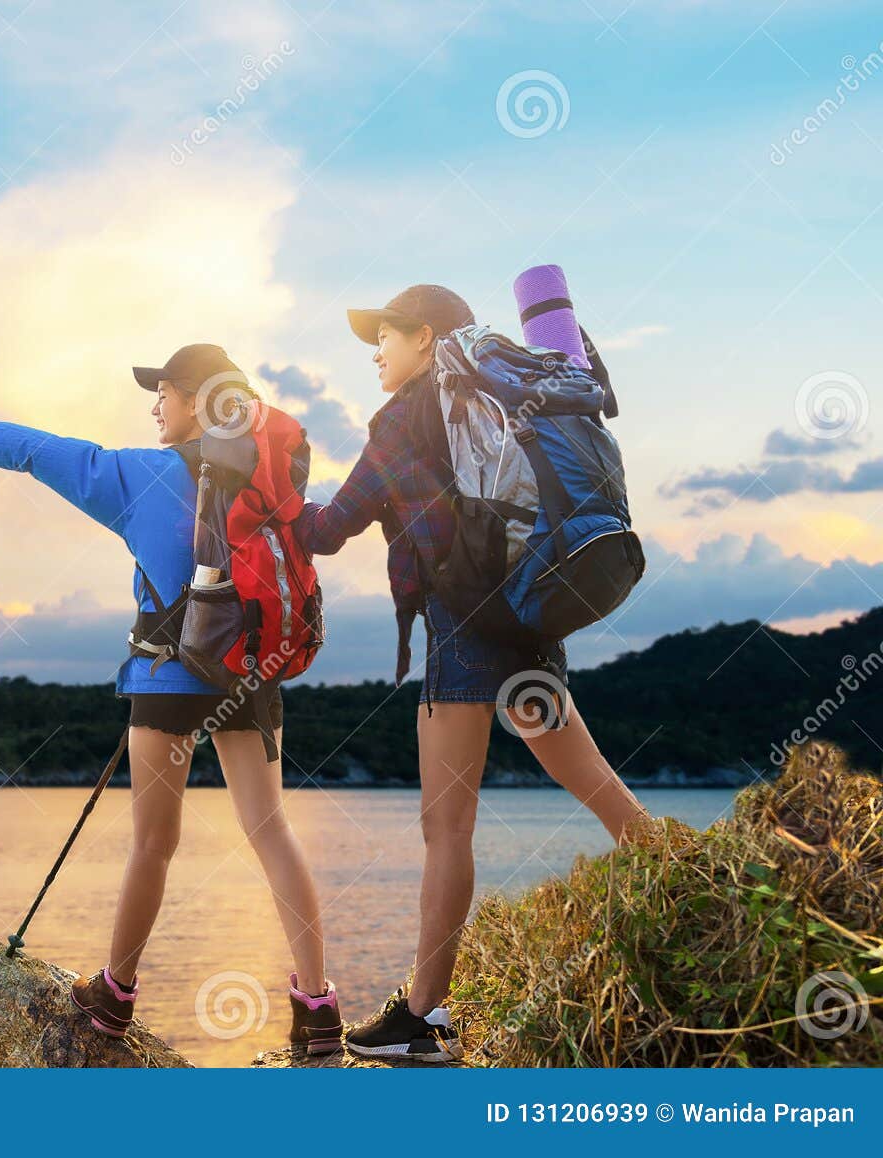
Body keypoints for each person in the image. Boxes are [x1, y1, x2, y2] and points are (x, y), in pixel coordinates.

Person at [0, 343, 343, 1054]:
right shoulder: (270, 485)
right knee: (272, 833)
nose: (155, 407)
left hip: (169, 676)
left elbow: (38, 451)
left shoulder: (138, 475)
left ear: (199, 401)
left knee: (152, 842)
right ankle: (318, 1012)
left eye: (164, 393)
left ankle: (114, 998)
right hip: (249, 676)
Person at [294, 286, 651, 1062]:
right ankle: (693, 882)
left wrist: (262, 497)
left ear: (424, 338)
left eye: (383, 337)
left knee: (445, 829)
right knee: (600, 790)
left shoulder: (402, 421)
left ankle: (424, 1017)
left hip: (463, 630)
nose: (375, 353)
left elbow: (328, 528)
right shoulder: (495, 404)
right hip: (530, 610)